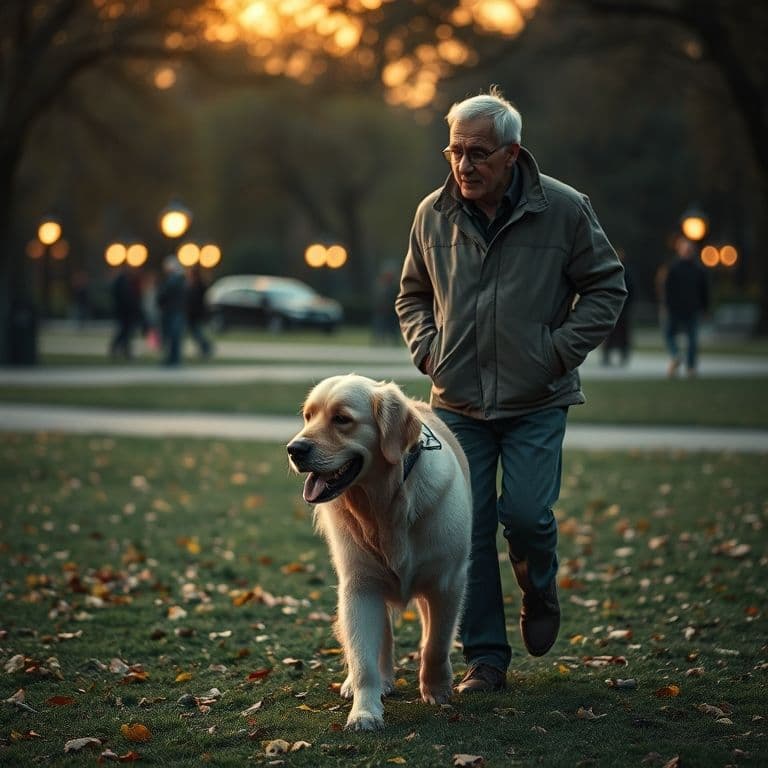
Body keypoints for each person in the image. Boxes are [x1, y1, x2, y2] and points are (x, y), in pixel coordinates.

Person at [396, 86, 627, 694]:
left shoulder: (566, 209)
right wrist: (428, 349)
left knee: (525, 516)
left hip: (536, 399)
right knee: (463, 531)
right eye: (455, 152)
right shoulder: (431, 214)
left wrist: (556, 352)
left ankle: (539, 587)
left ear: (512, 154)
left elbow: (607, 287)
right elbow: (412, 294)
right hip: (457, 404)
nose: (464, 165)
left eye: (478, 153)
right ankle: (486, 660)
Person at [663, 236, 710, 377]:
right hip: (681, 308)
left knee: (685, 337)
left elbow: (704, 291)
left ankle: (681, 359)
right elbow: (668, 289)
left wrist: (705, 308)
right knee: (687, 338)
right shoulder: (695, 269)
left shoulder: (675, 267)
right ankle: (686, 363)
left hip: (686, 309)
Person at [601, 248, 634, 366]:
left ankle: (623, 355)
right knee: (609, 333)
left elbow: (632, 291)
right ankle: (606, 356)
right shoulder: (609, 270)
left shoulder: (626, 272)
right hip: (611, 309)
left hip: (622, 309)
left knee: (622, 334)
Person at [156, 255, 186, 366]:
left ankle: (173, 359)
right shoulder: (179, 280)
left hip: (173, 311)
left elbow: (164, 294)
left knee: (173, 336)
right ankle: (173, 358)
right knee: (173, 336)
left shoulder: (174, 280)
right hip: (174, 311)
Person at [109, 265, 143, 359]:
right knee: (125, 332)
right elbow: (125, 298)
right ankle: (121, 350)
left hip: (125, 312)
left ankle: (123, 350)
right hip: (125, 313)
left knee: (125, 333)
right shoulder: (122, 282)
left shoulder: (124, 281)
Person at [185, 265, 212, 358]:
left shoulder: (198, 286)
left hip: (196, 313)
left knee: (197, 332)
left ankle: (206, 347)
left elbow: (197, 300)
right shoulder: (195, 285)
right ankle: (204, 348)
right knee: (196, 332)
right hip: (194, 313)